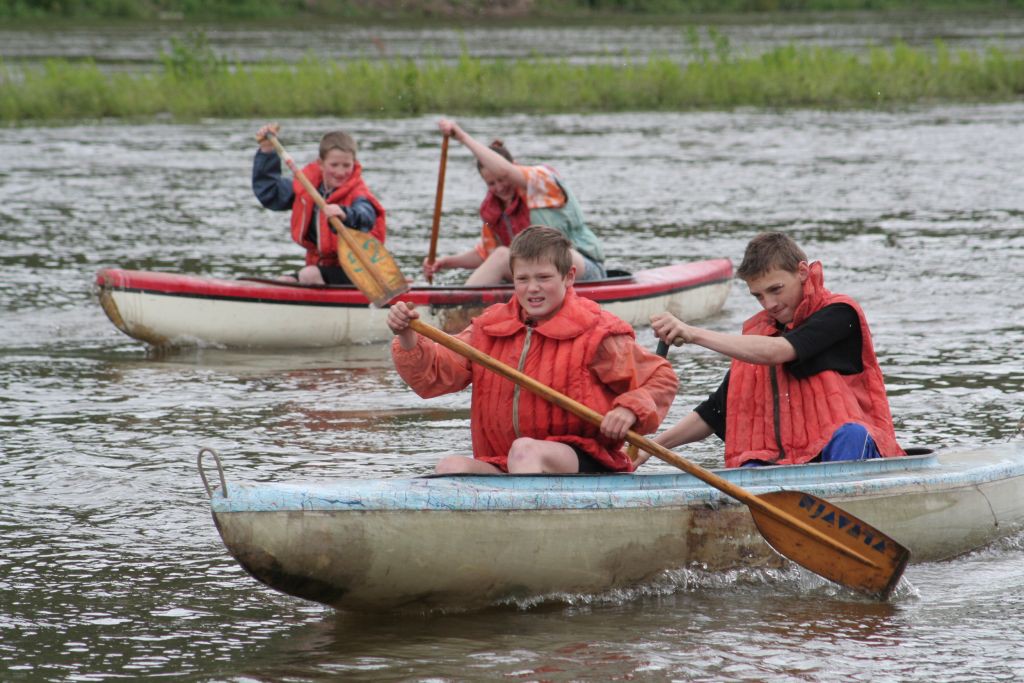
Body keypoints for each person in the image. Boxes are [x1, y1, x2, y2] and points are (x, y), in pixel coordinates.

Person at [390, 225, 677, 474]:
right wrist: (407, 337)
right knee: (450, 467)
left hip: (584, 459)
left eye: (543, 278)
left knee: (525, 451)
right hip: (504, 461)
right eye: (523, 279)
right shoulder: (489, 327)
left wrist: (629, 410)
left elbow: (660, 378)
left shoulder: (598, 332)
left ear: (569, 277)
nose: (532, 289)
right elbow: (436, 376)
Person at [642, 231, 904, 469]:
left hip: (847, 450)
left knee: (851, 434)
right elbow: (714, 413)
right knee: (751, 464)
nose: (769, 304)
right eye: (758, 296)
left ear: (802, 272)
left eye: (775, 289)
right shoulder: (757, 340)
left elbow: (780, 351)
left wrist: (693, 333)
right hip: (788, 460)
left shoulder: (838, 315)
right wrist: (649, 449)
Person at [423, 118, 606, 286]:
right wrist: (446, 262)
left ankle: (457, 306)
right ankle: (458, 309)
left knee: (511, 255)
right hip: (538, 276)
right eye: (491, 184)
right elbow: (486, 255)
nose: (500, 187)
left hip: (582, 269)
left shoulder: (541, 180)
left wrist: (462, 136)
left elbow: (505, 171)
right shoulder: (494, 210)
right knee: (501, 255)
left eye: (502, 180)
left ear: (514, 166)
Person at [252, 123, 386, 285]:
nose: (340, 172)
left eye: (346, 165)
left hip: (360, 272)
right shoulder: (306, 187)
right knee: (282, 281)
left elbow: (366, 216)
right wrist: (267, 151)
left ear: (354, 163)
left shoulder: (359, 194)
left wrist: (344, 213)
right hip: (321, 268)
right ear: (321, 164)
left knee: (309, 275)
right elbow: (270, 193)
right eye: (334, 165)